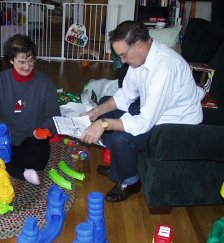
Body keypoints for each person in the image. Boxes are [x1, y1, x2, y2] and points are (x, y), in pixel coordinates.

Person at [80, 21, 203, 202]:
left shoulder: (165, 68)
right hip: (157, 113)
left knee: (120, 137)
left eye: (123, 55)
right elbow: (124, 96)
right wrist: (95, 113)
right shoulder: (140, 60)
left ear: (139, 45)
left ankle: (130, 182)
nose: (122, 60)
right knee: (106, 104)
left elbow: (144, 122)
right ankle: (119, 168)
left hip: (177, 126)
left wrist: (104, 124)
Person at [0, 34, 60, 185]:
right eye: (22, 62)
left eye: (31, 60)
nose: (27, 66)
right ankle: (17, 171)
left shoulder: (46, 84)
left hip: (30, 138)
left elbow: (54, 115)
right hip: (0, 138)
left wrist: (46, 129)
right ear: (11, 60)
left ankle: (0, 163)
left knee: (38, 159)